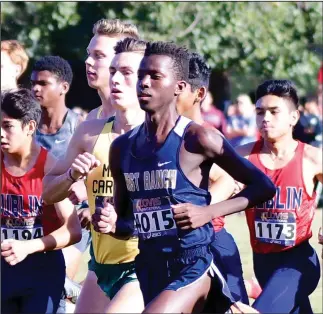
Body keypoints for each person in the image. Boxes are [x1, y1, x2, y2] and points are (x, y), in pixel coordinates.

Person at [92, 41, 276, 313]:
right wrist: (109, 223)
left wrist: (208, 212)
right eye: (142, 75)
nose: (144, 83)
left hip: (192, 263)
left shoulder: (198, 138)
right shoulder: (122, 148)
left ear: (178, 86)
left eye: (155, 76)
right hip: (149, 265)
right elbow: (128, 226)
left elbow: (263, 186)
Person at [42, 38, 146, 314]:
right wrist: (71, 176)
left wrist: (123, 220)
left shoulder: (160, 137)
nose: (116, 79)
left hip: (144, 265)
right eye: (113, 71)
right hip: (100, 267)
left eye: (126, 73)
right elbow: (47, 192)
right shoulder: (89, 131)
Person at [235, 79, 322, 313]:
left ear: (293, 117)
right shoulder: (241, 158)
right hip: (261, 263)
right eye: (260, 112)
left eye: (274, 112)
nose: (266, 118)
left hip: (299, 262)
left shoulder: (312, 158)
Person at [176, 51, 254, 312]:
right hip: (175, 247)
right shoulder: (165, 135)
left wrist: (199, 210)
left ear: (198, 94)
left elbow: (231, 181)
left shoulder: (207, 137)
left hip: (213, 240)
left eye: (179, 87)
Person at [1, 89, 81, 313]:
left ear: (30, 127)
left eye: (8, 126)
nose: (1, 133)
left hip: (41, 270)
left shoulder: (50, 166)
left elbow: (73, 230)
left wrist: (29, 247)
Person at [31, 55, 88, 311]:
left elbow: (98, 173)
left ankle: (77, 293)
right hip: (30, 218)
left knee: (57, 280)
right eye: (33, 82)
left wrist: (81, 186)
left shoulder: (81, 129)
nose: (35, 89)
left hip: (72, 222)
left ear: (63, 87)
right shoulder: (24, 128)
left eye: (43, 83)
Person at [85, 18, 139, 121]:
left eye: (98, 55)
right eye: (89, 54)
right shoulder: (90, 118)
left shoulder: (143, 121)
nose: (88, 61)